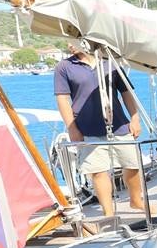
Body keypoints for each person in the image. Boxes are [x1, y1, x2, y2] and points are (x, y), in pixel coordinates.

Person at [53, 39, 145, 217]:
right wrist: (72, 128)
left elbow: (126, 92)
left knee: (132, 164)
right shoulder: (64, 67)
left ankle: (136, 201)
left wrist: (135, 118)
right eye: (67, 41)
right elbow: (62, 99)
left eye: (73, 41)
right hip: (88, 128)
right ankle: (108, 212)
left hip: (118, 124)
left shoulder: (109, 61)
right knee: (97, 172)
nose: (69, 45)